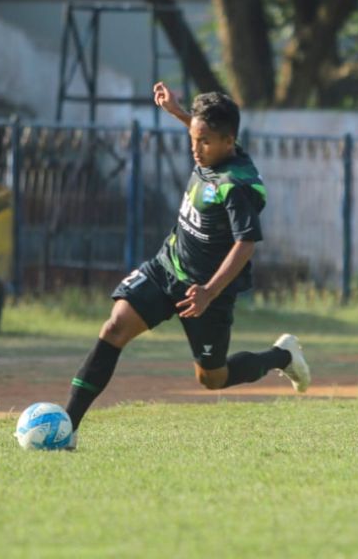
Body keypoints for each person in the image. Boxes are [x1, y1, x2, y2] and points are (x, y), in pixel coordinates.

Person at [62, 84, 310, 448]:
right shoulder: (210, 152)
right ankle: (67, 427)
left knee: (212, 378)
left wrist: (209, 292)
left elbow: (246, 244)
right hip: (168, 266)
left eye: (204, 141)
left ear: (229, 142)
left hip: (207, 293)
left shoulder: (236, 185)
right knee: (115, 327)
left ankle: (283, 355)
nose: (195, 148)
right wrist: (179, 113)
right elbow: (201, 131)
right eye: (193, 138)